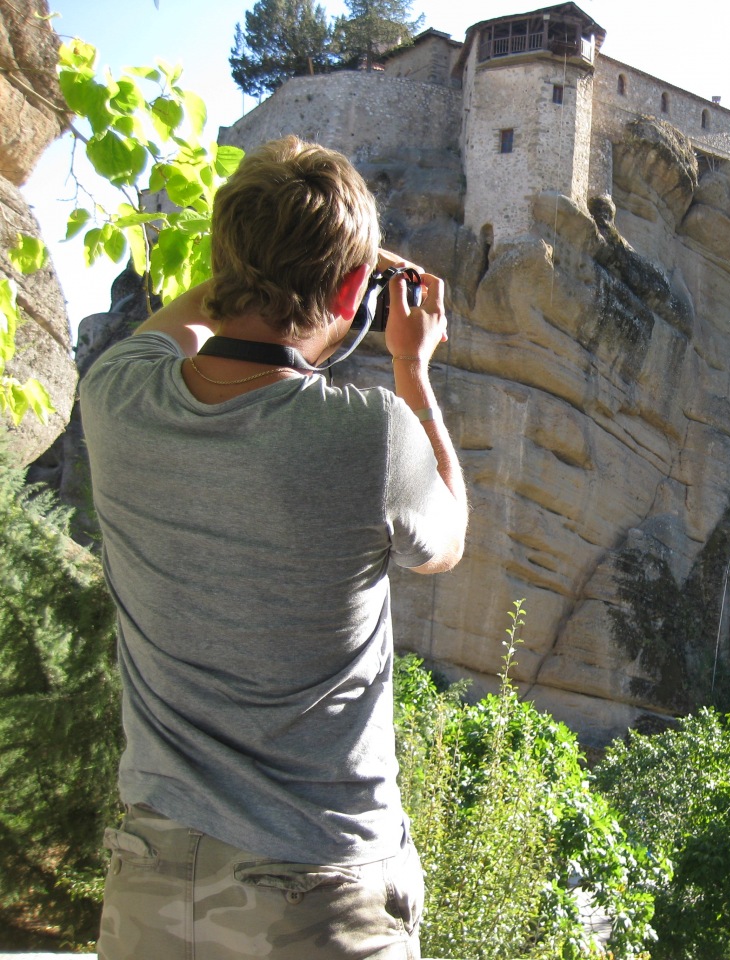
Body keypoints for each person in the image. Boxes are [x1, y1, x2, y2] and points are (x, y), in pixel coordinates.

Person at [79, 135, 468, 959]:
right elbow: (446, 542)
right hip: (319, 890)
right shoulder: (367, 435)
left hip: (155, 876)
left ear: (222, 261)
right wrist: (413, 368)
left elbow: (184, 321)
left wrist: (268, 261)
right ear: (352, 288)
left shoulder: (115, 393)